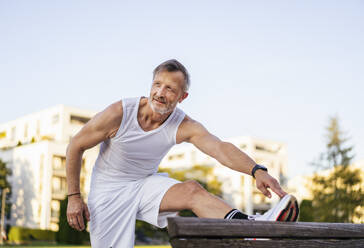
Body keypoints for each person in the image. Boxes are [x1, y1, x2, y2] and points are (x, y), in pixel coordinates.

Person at [65, 59, 299, 248]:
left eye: (169, 89)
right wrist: (74, 197)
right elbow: (75, 145)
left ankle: (252, 229)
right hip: (108, 192)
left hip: (144, 185)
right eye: (157, 84)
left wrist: (256, 170)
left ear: (182, 97)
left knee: (192, 190)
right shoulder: (120, 113)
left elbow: (219, 148)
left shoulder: (183, 125)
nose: (160, 93)